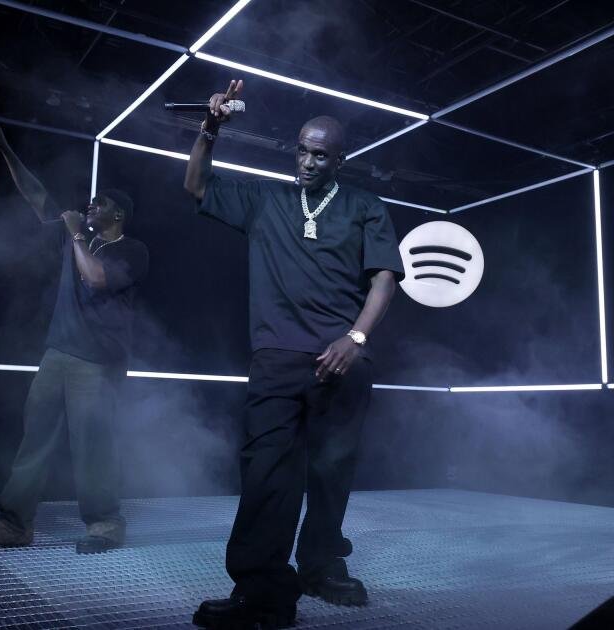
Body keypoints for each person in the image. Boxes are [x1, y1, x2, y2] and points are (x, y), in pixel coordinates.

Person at [184, 80, 405, 629]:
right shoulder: (266, 200)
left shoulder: (365, 206)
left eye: (321, 155)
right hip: (277, 359)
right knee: (268, 475)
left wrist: (355, 339)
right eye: (303, 150)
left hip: (343, 359)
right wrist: (209, 129)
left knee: (332, 472)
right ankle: (263, 592)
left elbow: (384, 280)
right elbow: (196, 184)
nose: (308, 161)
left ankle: (321, 565)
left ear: (339, 160)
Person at [0, 108, 148, 552]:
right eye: (89, 203)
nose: (89, 206)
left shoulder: (133, 251)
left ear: (118, 214)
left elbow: (96, 278)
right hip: (58, 354)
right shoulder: (76, 236)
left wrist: (77, 235)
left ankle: (105, 525)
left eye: (99, 203)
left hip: (97, 362)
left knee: (92, 444)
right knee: (35, 440)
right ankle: (14, 524)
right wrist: (3, 146)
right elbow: (36, 195)